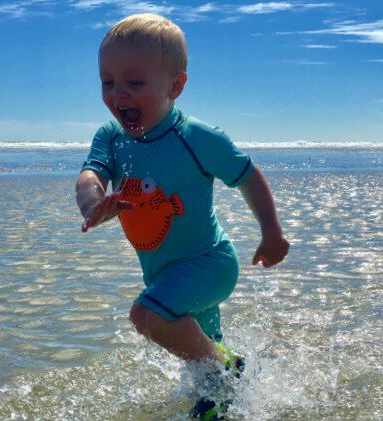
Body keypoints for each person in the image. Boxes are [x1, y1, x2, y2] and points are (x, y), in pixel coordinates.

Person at [75, 13, 289, 418]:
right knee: (202, 364)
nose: (118, 94)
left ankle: (230, 367)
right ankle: (222, 399)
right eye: (108, 82)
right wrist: (93, 204)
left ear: (175, 86)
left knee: (148, 315)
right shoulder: (112, 138)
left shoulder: (197, 138)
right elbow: (89, 176)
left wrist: (271, 233)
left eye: (134, 83)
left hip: (209, 263)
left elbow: (248, 177)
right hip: (164, 272)